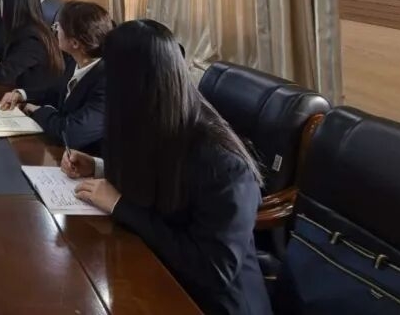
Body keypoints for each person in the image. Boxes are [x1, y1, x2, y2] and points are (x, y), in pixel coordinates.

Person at [65, 20, 270, 315]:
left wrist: (121, 206)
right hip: (152, 275)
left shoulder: (222, 162)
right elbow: (156, 182)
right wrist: (98, 167)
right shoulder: (151, 121)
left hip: (207, 302)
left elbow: (213, 269)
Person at [0, 0, 113, 155]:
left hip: (85, 160)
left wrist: (38, 111)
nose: (55, 29)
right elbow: (56, 92)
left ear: (74, 43)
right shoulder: (75, 60)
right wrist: (22, 94)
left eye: (59, 26)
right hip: (64, 153)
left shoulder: (107, 82)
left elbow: (70, 133)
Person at [0, 0, 64, 92]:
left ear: (10, 5)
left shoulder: (30, 38)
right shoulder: (29, 29)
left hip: (30, 99)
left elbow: (7, 76)